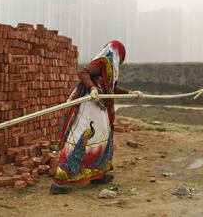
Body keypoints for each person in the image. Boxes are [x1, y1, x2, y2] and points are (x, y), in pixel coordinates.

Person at [50, 40, 143, 194]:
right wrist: (92, 88)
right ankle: (60, 183)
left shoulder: (109, 68)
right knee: (79, 141)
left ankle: (98, 174)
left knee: (100, 140)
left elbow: (111, 88)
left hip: (99, 108)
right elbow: (83, 72)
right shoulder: (103, 62)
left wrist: (131, 93)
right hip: (87, 108)